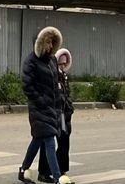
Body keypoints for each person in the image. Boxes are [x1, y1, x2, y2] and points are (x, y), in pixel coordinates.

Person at [18, 26, 72, 184]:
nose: (50, 45)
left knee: (37, 141)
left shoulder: (52, 61)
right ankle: (57, 178)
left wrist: (58, 105)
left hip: (52, 108)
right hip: (38, 109)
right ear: (40, 43)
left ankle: (23, 170)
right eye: (48, 42)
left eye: (52, 42)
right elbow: (27, 86)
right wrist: (41, 101)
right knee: (49, 141)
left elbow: (56, 85)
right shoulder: (31, 61)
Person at [37, 48, 74, 183]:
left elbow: (67, 96)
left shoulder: (64, 77)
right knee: (48, 143)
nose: (62, 66)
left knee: (64, 142)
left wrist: (69, 108)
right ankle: (43, 172)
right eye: (60, 63)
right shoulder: (50, 76)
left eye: (65, 63)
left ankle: (62, 170)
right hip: (52, 115)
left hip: (64, 116)